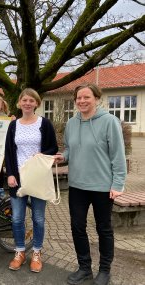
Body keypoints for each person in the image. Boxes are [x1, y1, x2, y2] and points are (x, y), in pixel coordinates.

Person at [54, 83, 126, 285]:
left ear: (97, 98)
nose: (82, 101)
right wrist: (62, 157)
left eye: (87, 97)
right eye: (79, 98)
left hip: (103, 187)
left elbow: (118, 156)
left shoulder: (110, 122)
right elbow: (69, 149)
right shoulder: (71, 123)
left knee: (104, 228)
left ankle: (104, 270)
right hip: (77, 185)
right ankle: (84, 267)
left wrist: (118, 184)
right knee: (77, 227)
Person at [5, 88, 58, 273]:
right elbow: (9, 152)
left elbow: (53, 148)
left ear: (37, 103)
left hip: (38, 177)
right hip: (17, 178)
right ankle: (19, 251)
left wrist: (43, 154)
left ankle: (36, 252)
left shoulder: (45, 124)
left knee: (38, 218)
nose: (27, 103)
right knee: (17, 218)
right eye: (24, 100)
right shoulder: (13, 126)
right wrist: (10, 174)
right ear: (19, 103)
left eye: (31, 100)